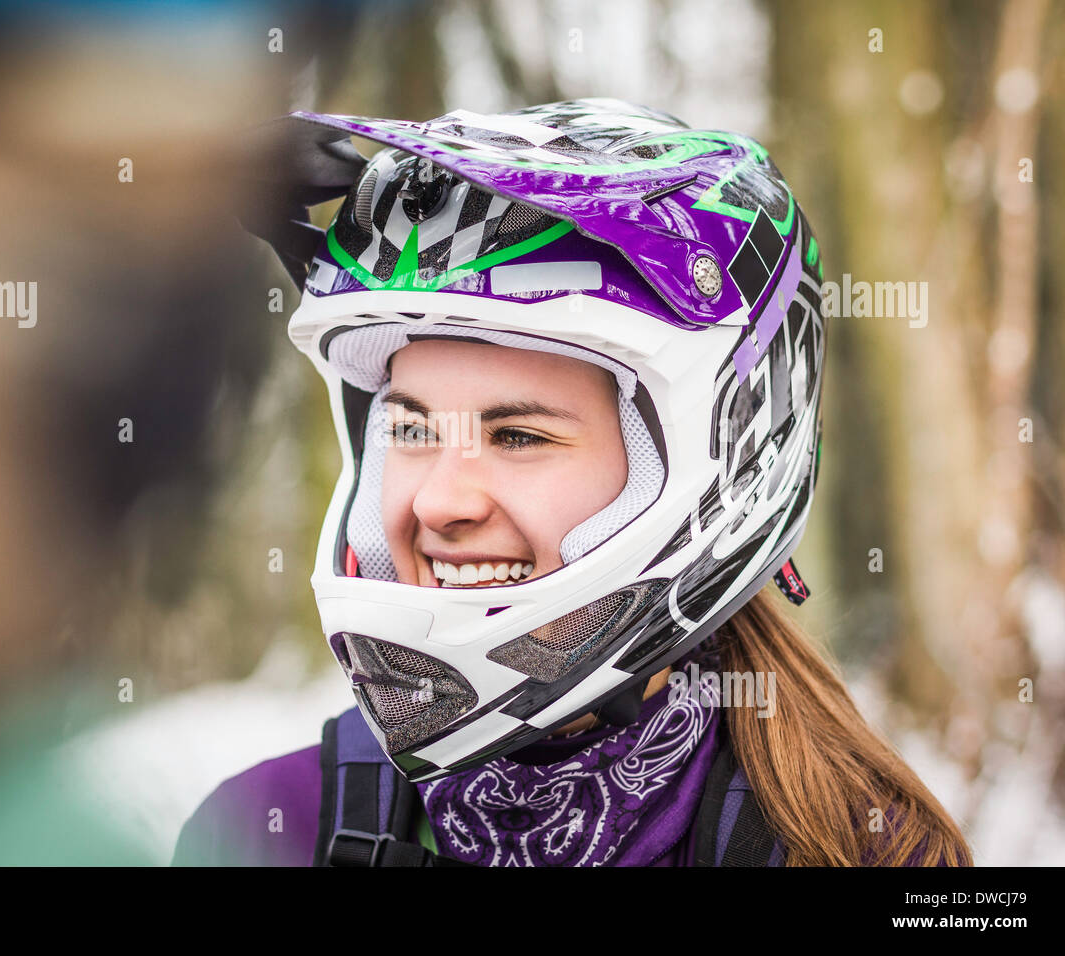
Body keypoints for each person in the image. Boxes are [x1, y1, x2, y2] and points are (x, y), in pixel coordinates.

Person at [174, 99, 972, 867]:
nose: (439, 502)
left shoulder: (864, 848)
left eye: (518, 436)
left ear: (719, 454)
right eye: (411, 429)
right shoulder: (261, 831)